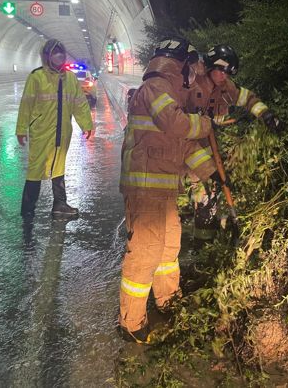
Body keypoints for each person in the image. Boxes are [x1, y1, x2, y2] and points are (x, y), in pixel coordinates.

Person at [118, 37, 219, 344]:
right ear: (180, 65)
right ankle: (131, 324)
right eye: (192, 70)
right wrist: (206, 124)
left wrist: (212, 174)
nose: (193, 78)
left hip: (162, 189)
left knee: (168, 249)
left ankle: (168, 300)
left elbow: (182, 145)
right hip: (146, 188)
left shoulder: (169, 92)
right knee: (146, 252)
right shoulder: (155, 88)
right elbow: (178, 126)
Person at [185, 44, 284, 243]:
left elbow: (247, 98)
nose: (225, 78)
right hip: (185, 144)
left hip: (206, 141)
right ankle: (200, 243)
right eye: (222, 73)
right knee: (203, 189)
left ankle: (207, 239)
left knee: (212, 187)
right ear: (212, 67)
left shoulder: (224, 86)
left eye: (228, 74)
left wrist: (265, 114)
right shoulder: (192, 83)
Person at [16, 39, 93, 218]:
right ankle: (28, 210)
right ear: (47, 56)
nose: (59, 55)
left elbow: (79, 104)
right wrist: (21, 129)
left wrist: (87, 124)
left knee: (59, 168)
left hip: (62, 133)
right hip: (42, 132)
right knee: (36, 170)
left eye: (61, 52)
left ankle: (60, 205)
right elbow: (26, 104)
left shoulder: (71, 78)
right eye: (55, 52)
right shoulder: (37, 77)